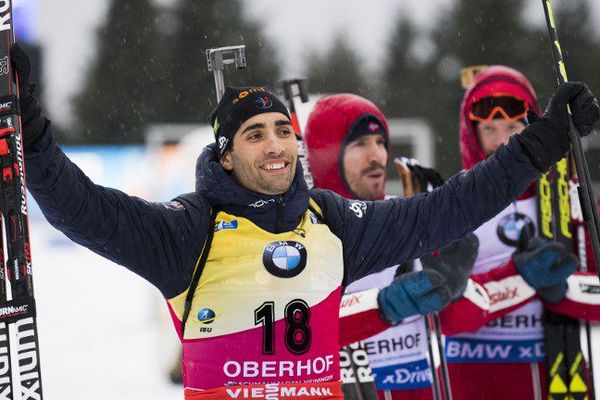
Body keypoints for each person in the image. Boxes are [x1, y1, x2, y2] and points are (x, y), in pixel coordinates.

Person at [14, 39, 600, 400]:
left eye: (283, 132)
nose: (275, 145)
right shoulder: (185, 230)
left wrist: (543, 140)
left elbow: (450, 208)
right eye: (254, 134)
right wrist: (28, 129)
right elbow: (80, 207)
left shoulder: (333, 222)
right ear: (225, 154)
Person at [434, 65, 600, 399]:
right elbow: (447, 315)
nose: (502, 141)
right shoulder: (450, 207)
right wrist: (521, 279)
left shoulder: (569, 199)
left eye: (513, 126)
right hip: (472, 379)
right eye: (490, 129)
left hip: (554, 375)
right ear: (470, 133)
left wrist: (564, 289)